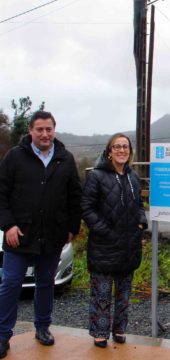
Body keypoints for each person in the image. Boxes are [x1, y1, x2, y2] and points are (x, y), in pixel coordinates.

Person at [0, 110, 82, 357]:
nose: (45, 134)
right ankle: (3, 335)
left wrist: (71, 227)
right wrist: (8, 226)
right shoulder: (14, 157)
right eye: (40, 129)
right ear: (30, 131)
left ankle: (43, 327)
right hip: (19, 235)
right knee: (10, 283)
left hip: (52, 235)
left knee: (45, 283)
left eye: (49, 129)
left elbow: (74, 197)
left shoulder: (65, 159)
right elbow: (1, 195)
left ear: (54, 131)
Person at [81, 133, 148, 348]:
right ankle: (100, 333)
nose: (121, 150)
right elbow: (86, 207)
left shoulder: (133, 177)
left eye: (125, 147)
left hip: (128, 245)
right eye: (117, 147)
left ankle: (119, 329)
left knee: (124, 294)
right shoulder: (96, 176)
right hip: (104, 245)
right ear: (109, 152)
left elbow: (139, 205)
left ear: (130, 151)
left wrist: (141, 223)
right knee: (101, 294)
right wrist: (104, 230)